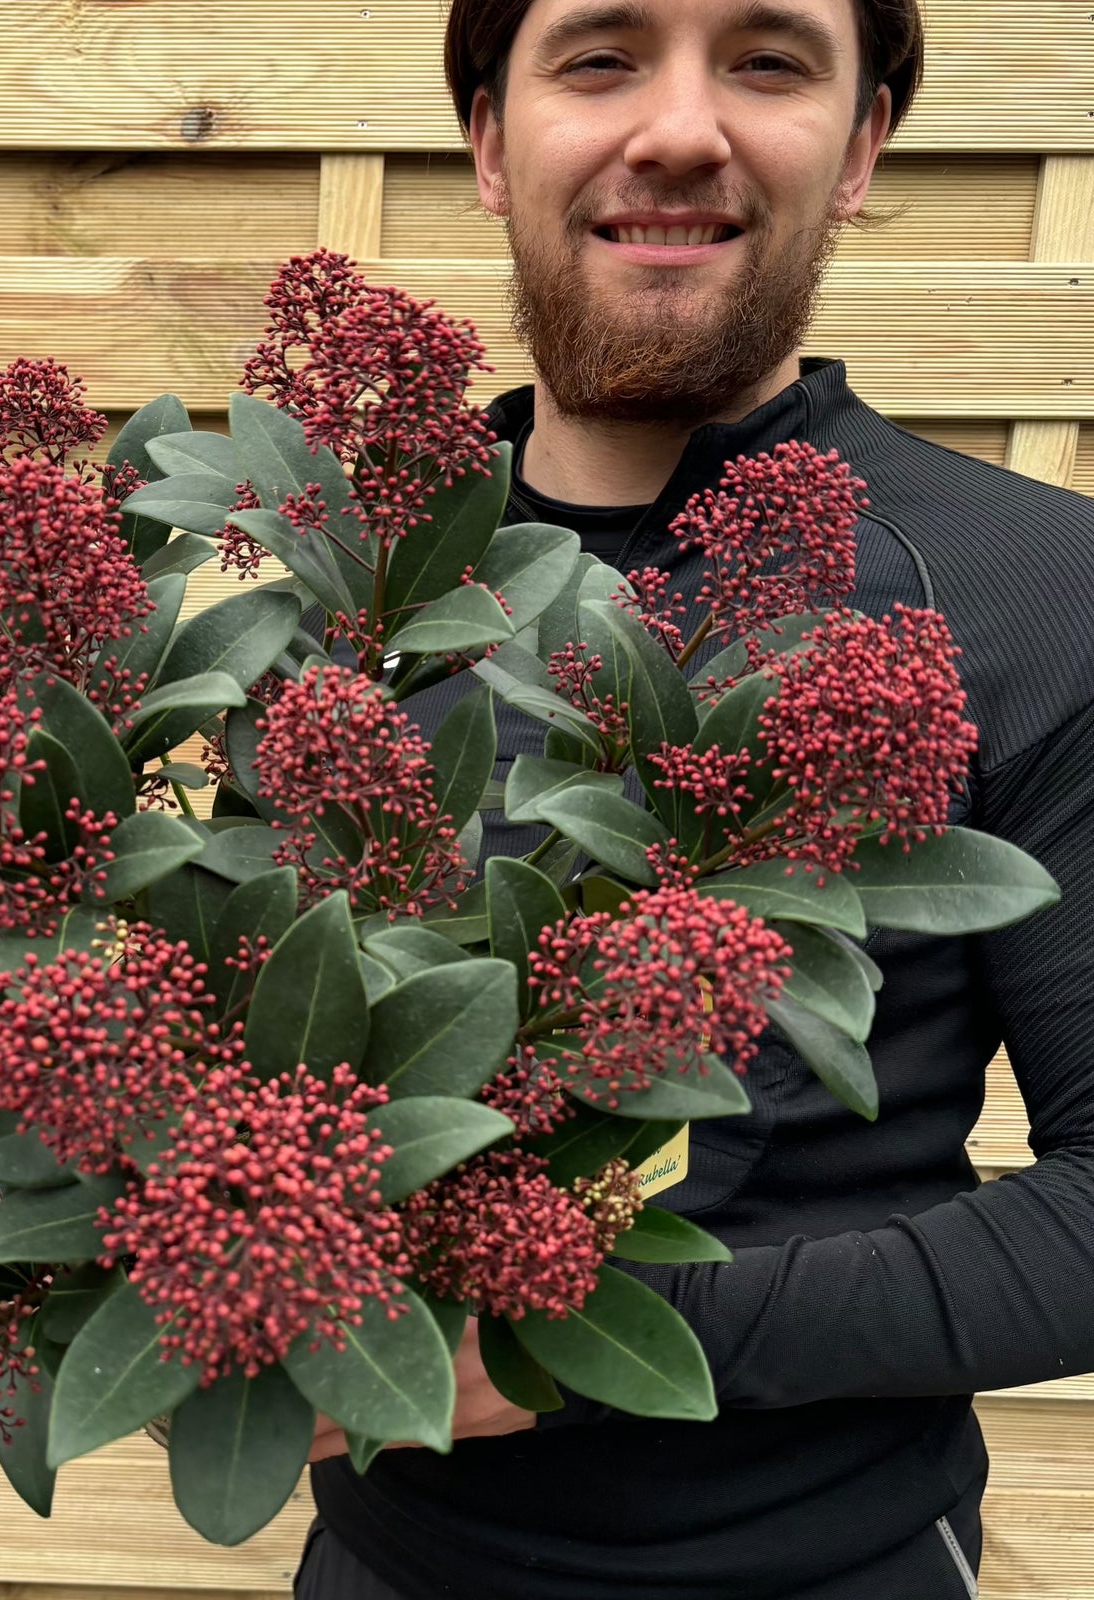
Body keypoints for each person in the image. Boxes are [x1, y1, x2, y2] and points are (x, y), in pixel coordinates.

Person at [293, 1, 1094, 1595]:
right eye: (599, 57)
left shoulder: (1037, 592)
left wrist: (563, 1331)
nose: (676, 127)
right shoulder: (317, 592)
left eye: (768, 60)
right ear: (487, 139)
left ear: (861, 147)